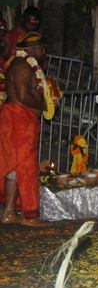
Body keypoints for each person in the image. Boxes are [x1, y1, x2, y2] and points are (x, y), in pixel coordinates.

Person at [0, 33, 51, 226]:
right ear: (30, 50)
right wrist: (45, 104)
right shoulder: (22, 65)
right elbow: (22, 95)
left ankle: (9, 213)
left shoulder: (23, 64)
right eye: (39, 48)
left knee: (14, 167)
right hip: (18, 120)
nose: (43, 52)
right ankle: (30, 216)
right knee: (26, 167)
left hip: (19, 120)